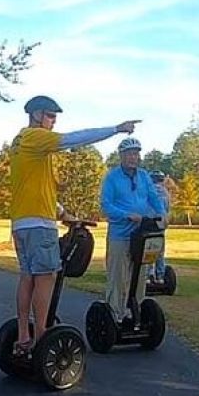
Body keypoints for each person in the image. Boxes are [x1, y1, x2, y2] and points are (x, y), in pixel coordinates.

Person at [9, 95, 140, 356]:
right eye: (49, 115)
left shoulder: (20, 143)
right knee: (47, 277)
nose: (53, 120)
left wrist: (63, 213)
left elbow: (35, 188)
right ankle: (42, 337)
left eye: (55, 116)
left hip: (22, 222)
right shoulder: (36, 137)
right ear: (35, 114)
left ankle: (24, 335)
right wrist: (116, 129)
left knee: (28, 277)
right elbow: (74, 138)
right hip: (38, 225)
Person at [100, 137, 167, 324]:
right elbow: (106, 205)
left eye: (136, 153)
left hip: (142, 233)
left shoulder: (144, 176)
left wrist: (162, 214)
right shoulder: (112, 178)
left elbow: (153, 198)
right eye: (129, 154)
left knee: (140, 275)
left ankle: (135, 310)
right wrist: (126, 214)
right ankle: (115, 314)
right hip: (120, 235)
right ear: (121, 156)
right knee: (118, 276)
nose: (133, 157)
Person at [147, 171, 170, 283]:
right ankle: (160, 276)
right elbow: (167, 209)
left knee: (148, 249)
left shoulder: (149, 191)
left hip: (149, 224)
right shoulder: (166, 193)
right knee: (160, 251)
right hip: (161, 225)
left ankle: (148, 275)